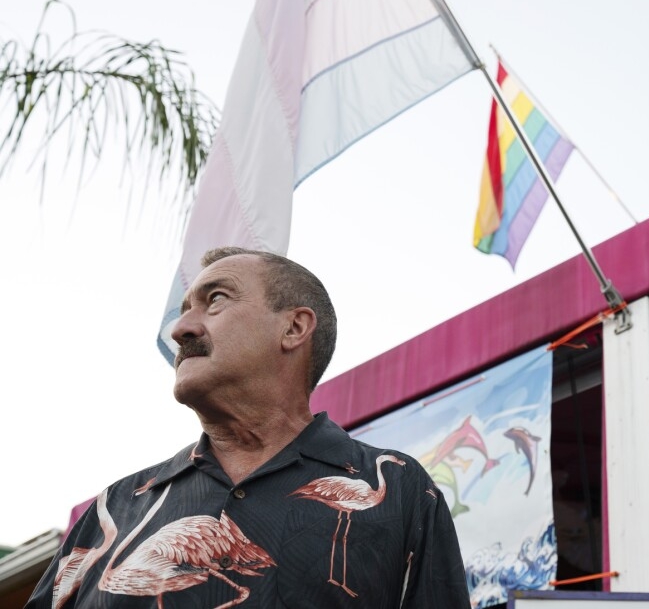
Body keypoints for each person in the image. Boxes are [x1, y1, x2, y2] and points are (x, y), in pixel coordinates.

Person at [28, 247, 470, 608]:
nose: (180, 329)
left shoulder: (406, 494)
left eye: (216, 299)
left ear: (294, 328)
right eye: (184, 311)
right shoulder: (119, 505)